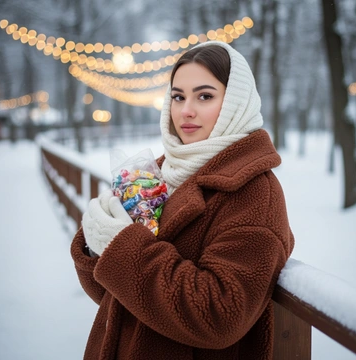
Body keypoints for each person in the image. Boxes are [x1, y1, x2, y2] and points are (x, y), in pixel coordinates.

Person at [71, 40, 294, 360]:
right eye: (177, 96)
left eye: (204, 96)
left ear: (235, 103)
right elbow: (111, 297)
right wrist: (97, 244)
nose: (186, 110)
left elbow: (220, 316)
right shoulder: (160, 172)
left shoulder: (253, 192)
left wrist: (121, 244)